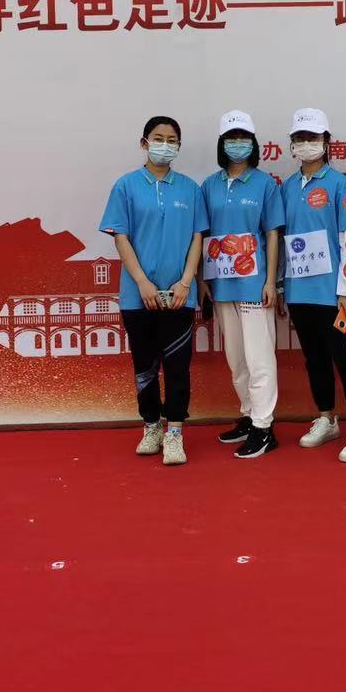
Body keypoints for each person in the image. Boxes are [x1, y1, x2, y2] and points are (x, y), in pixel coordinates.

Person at [99, 116, 207, 466]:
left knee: (178, 367)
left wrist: (186, 281)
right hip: (138, 295)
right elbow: (120, 237)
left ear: (179, 146)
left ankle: (174, 431)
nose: (165, 145)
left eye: (172, 140)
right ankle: (151, 426)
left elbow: (197, 237)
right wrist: (142, 282)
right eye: (158, 138)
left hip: (179, 295)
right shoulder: (126, 186)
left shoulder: (190, 189)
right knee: (144, 366)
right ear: (144, 143)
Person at [277, 107, 346, 463]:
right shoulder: (287, 187)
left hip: (333, 295)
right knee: (314, 359)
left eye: (313, 137)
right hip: (299, 291)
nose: (306, 144)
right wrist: (282, 286)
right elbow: (283, 241)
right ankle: (327, 418)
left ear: (326, 141)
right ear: (292, 144)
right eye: (300, 138)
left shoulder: (339, 184)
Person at [199, 110, 285, 460]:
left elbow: (272, 234)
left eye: (244, 138)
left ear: (254, 143)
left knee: (259, 357)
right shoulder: (209, 185)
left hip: (254, 284)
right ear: (222, 144)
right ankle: (249, 415)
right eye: (231, 138)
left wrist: (271, 281)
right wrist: (204, 280)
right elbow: (203, 235)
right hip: (221, 285)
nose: (238, 143)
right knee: (236, 359)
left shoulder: (265, 184)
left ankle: (265, 427)